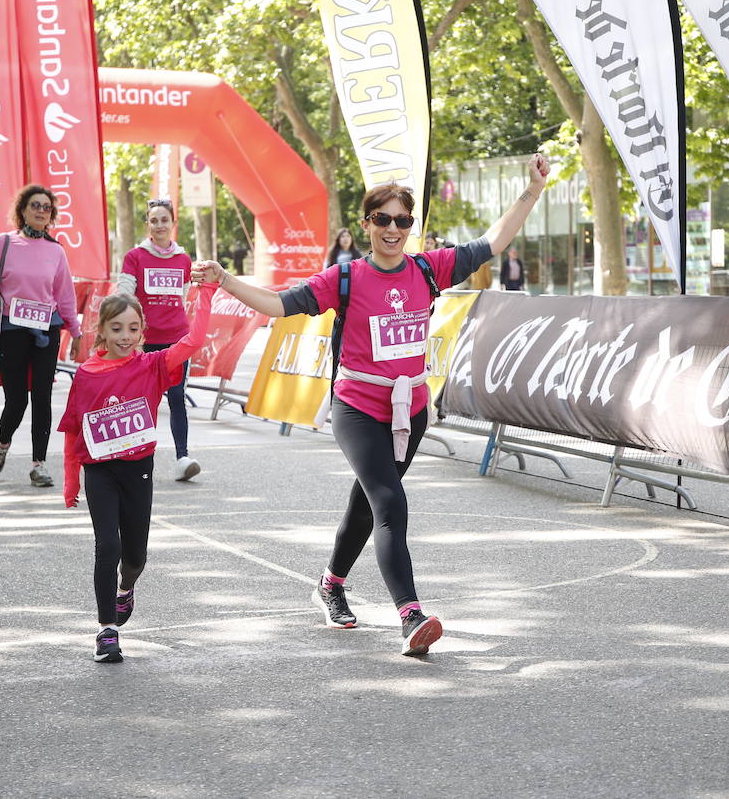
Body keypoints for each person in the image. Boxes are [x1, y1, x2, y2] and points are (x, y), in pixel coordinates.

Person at [197, 151, 552, 657]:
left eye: (402, 221)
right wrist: (225, 280)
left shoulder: (430, 269)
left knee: (367, 505)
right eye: (383, 219)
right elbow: (280, 305)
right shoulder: (345, 279)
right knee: (390, 502)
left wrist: (532, 190)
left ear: (411, 226)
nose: (393, 228)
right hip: (358, 407)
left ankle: (330, 583)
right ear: (366, 224)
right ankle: (410, 615)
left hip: (411, 410)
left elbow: (492, 242)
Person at [58, 284, 217, 662]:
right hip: (101, 471)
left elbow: (194, 340)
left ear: (142, 332)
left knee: (134, 557)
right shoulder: (87, 375)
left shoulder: (153, 366)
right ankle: (106, 631)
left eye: (132, 329)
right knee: (106, 547)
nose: (125, 337)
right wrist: (70, 480)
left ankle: (126, 588)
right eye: (116, 329)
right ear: (102, 331)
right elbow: (73, 431)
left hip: (137, 471)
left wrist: (208, 291)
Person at [0, 185, 82, 488]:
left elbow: (65, 297)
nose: (40, 211)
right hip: (11, 331)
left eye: (47, 207)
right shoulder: (3, 244)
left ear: (51, 215)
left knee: (43, 399)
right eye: (35, 205)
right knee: (17, 400)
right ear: (23, 210)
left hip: (46, 332)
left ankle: (39, 464)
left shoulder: (56, 251)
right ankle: (3, 442)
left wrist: (77, 331)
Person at [117, 199, 201, 481]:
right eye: (154, 220)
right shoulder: (135, 257)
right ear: (148, 225)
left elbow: (184, 297)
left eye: (165, 220)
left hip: (177, 340)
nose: (160, 225)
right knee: (144, 401)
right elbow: (125, 296)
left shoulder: (183, 260)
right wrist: (128, 335)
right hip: (144, 342)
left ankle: (182, 458)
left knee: (177, 397)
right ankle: (140, 459)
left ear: (173, 224)